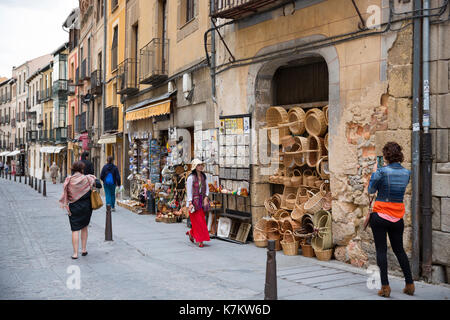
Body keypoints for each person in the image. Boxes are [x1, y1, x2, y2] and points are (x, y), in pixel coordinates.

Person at [367, 142, 414, 298]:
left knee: (381, 251)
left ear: (386, 155)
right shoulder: (407, 173)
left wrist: (375, 172)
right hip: (397, 217)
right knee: (399, 250)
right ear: (399, 155)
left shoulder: (381, 171)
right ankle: (410, 284)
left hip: (380, 215)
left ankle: (385, 288)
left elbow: (371, 190)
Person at [59, 161, 101, 259]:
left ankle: (75, 254)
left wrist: (66, 205)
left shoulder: (68, 180)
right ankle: (84, 250)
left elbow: (66, 194)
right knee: (84, 227)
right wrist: (94, 177)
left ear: (73, 169)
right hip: (86, 206)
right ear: (82, 169)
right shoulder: (87, 178)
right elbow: (99, 185)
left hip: (73, 207)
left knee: (75, 230)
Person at [185, 158, 210, 248]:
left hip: (202, 201)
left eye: (201, 165)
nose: (201, 166)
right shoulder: (191, 178)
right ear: (195, 167)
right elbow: (189, 191)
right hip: (193, 202)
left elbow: (207, 188)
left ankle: (192, 233)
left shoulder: (204, 177)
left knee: (201, 221)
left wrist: (206, 197)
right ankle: (200, 240)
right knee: (197, 222)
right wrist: (190, 203)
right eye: (199, 165)